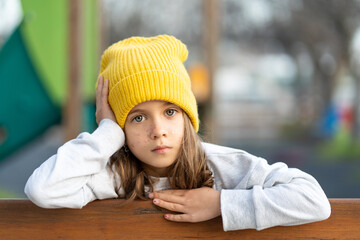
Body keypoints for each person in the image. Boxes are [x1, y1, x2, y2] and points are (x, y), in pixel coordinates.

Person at [25, 35, 331, 231]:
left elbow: (313, 200)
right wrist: (106, 133)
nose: (158, 130)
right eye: (138, 117)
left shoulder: (225, 166)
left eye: (170, 112)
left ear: (188, 117)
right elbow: (43, 189)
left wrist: (220, 204)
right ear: (121, 128)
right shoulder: (112, 174)